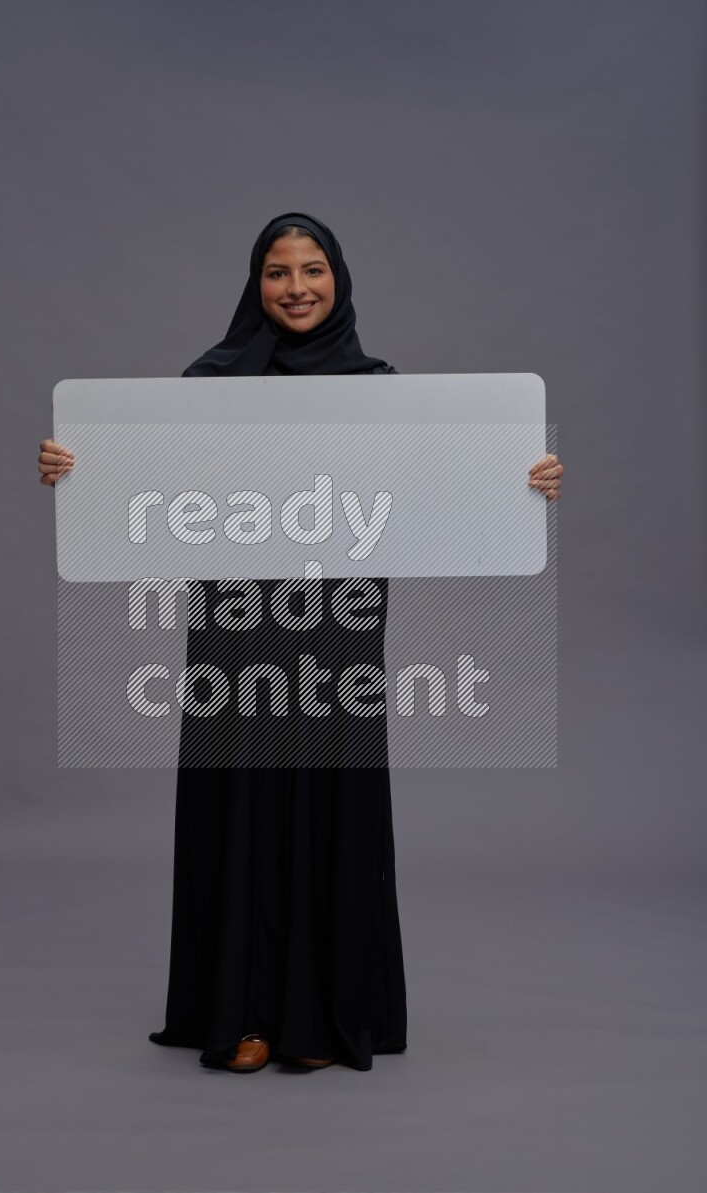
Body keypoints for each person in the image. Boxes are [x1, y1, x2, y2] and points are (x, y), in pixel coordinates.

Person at [39, 212, 563, 1074]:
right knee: (243, 796)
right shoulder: (206, 384)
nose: (296, 287)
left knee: (330, 796)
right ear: (257, 284)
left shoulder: (379, 388)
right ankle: (243, 1014)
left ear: (339, 278)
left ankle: (320, 1014)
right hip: (236, 630)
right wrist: (75, 469)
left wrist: (524, 479)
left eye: (311, 269)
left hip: (338, 625)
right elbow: (148, 491)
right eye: (278, 272)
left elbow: (440, 491)